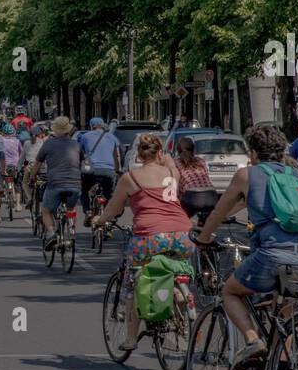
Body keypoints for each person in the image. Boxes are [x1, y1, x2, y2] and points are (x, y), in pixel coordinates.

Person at [196, 124, 298, 368]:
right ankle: (280, 367)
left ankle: (253, 340)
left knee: (231, 291)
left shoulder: (247, 174)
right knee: (286, 307)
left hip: (274, 255)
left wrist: (203, 238)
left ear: (252, 153)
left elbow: (217, 214)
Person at [90, 133, 194, 351]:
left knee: (132, 284)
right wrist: (167, 160)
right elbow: (174, 168)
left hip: (149, 236)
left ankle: (130, 338)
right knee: (176, 268)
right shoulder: (171, 173)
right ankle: (178, 293)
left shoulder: (131, 177)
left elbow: (114, 209)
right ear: (159, 153)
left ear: (138, 154)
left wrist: (99, 220)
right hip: (182, 233)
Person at [30, 115, 81, 251]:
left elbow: (37, 163)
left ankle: (52, 233)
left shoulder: (48, 144)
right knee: (71, 208)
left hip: (55, 183)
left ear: (56, 130)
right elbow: (83, 161)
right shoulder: (75, 144)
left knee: (46, 210)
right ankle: (71, 231)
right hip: (75, 183)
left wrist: (32, 176)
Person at [175, 135, 218, 224]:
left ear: (178, 151)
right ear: (194, 150)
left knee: (181, 220)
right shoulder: (201, 161)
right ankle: (204, 235)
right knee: (204, 223)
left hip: (191, 196)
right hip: (211, 195)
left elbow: (176, 185)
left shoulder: (176, 163)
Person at [78, 116, 122, 203]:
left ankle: (87, 210)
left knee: (84, 191)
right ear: (103, 126)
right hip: (108, 171)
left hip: (90, 170)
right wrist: (117, 171)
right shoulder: (112, 137)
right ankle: (107, 212)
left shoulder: (85, 137)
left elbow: (80, 153)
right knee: (110, 194)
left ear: (91, 126)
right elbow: (117, 156)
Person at [0, 122, 23, 212]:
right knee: (17, 184)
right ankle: (18, 205)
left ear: (3, 133)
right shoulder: (17, 141)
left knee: (0, 183)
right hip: (15, 166)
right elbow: (21, 153)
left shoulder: (1, 141)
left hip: (4, 166)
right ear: (13, 132)